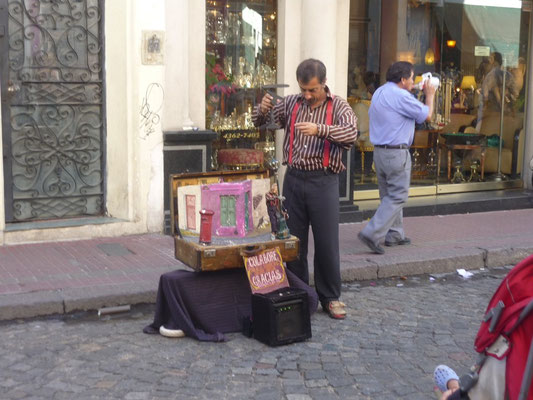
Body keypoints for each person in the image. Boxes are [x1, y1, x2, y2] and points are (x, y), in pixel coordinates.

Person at [253, 58, 358, 319]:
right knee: (293, 241)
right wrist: (262, 109)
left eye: (312, 90)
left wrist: (320, 130)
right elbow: (263, 123)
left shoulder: (339, 106)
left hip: (324, 181)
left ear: (324, 84)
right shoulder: (291, 103)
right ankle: (300, 293)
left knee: (326, 243)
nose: (308, 95)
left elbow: (352, 134)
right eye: (303, 90)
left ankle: (330, 297)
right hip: (294, 178)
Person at [358, 61, 436, 254]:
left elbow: (402, 104)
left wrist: (415, 88)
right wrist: (430, 95)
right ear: (402, 79)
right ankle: (372, 232)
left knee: (388, 195)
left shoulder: (380, 92)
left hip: (379, 152)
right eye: (411, 78)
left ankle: (395, 234)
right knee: (398, 195)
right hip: (396, 152)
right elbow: (427, 115)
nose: (413, 81)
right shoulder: (401, 96)